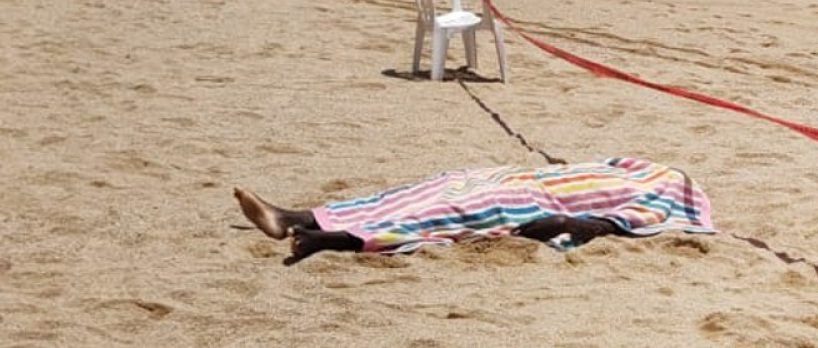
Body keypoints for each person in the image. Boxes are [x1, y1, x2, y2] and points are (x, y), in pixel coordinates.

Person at [234, 157, 714, 265]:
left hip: (543, 199)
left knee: (467, 210)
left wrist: (574, 224)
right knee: (444, 186)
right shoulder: (655, 173)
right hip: (533, 181)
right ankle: (301, 217)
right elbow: (597, 166)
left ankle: (333, 237)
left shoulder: (672, 200)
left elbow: (627, 222)